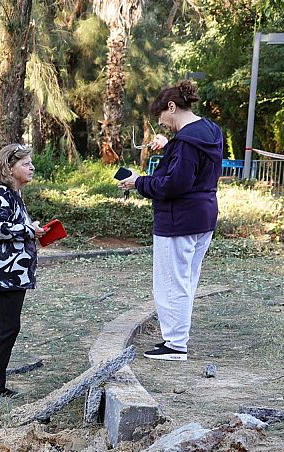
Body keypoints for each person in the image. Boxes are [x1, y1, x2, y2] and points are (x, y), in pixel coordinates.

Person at [118, 80, 224, 361]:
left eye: (162, 117)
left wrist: (139, 183)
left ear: (172, 107)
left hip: (178, 220)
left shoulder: (186, 142)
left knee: (171, 283)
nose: (162, 124)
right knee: (186, 280)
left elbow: (174, 184)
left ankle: (175, 344)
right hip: (204, 215)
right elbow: (191, 166)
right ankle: (178, 339)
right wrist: (170, 146)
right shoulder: (210, 131)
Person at [0, 143, 48, 406]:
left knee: (7, 328)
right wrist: (30, 230)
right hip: (0, 272)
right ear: (8, 167)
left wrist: (32, 230)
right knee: (3, 329)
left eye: (31, 163)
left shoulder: (11, 194)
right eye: (26, 164)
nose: (32, 168)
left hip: (11, 273)